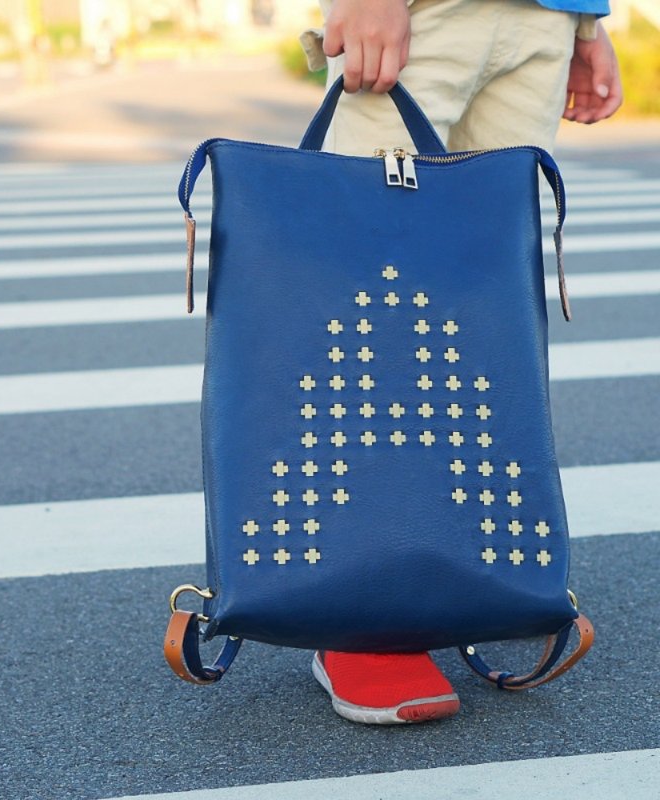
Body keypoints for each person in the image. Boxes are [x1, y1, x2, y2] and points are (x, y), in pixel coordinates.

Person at [301, 0, 622, 725]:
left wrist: (587, 23)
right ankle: (355, 623)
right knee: (367, 298)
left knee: (481, 310)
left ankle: (451, 579)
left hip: (543, 18)